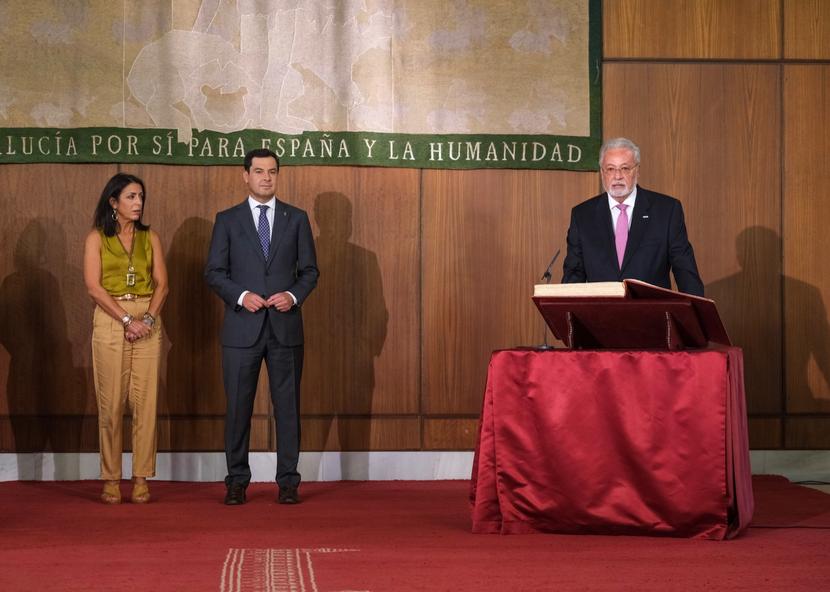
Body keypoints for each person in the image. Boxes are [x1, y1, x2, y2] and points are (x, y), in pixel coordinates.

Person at [205, 148, 319, 505]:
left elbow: (310, 272)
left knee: (287, 407)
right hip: (242, 330)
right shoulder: (227, 220)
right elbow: (214, 272)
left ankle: (288, 482)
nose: (266, 177)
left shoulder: (296, 218)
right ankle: (237, 481)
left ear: (277, 175)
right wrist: (241, 296)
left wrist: (292, 295)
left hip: (285, 328)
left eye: (272, 172)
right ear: (246, 176)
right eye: (258, 171)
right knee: (239, 407)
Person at [83, 173, 168, 504]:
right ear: (113, 202)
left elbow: (162, 284)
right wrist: (126, 319)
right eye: (131, 197)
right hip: (111, 318)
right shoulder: (96, 238)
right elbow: (94, 286)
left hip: (147, 319)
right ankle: (111, 477)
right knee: (111, 403)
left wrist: (146, 319)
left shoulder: (151, 237)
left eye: (141, 197)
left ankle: (141, 476)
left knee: (146, 403)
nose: (138, 203)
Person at [561, 137, 704, 296]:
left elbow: (685, 272)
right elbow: (573, 276)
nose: (617, 176)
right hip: (600, 317)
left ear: (637, 170)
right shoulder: (582, 215)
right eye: (610, 169)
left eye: (625, 168)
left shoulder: (666, 211)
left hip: (651, 316)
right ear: (602, 172)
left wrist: (695, 316)